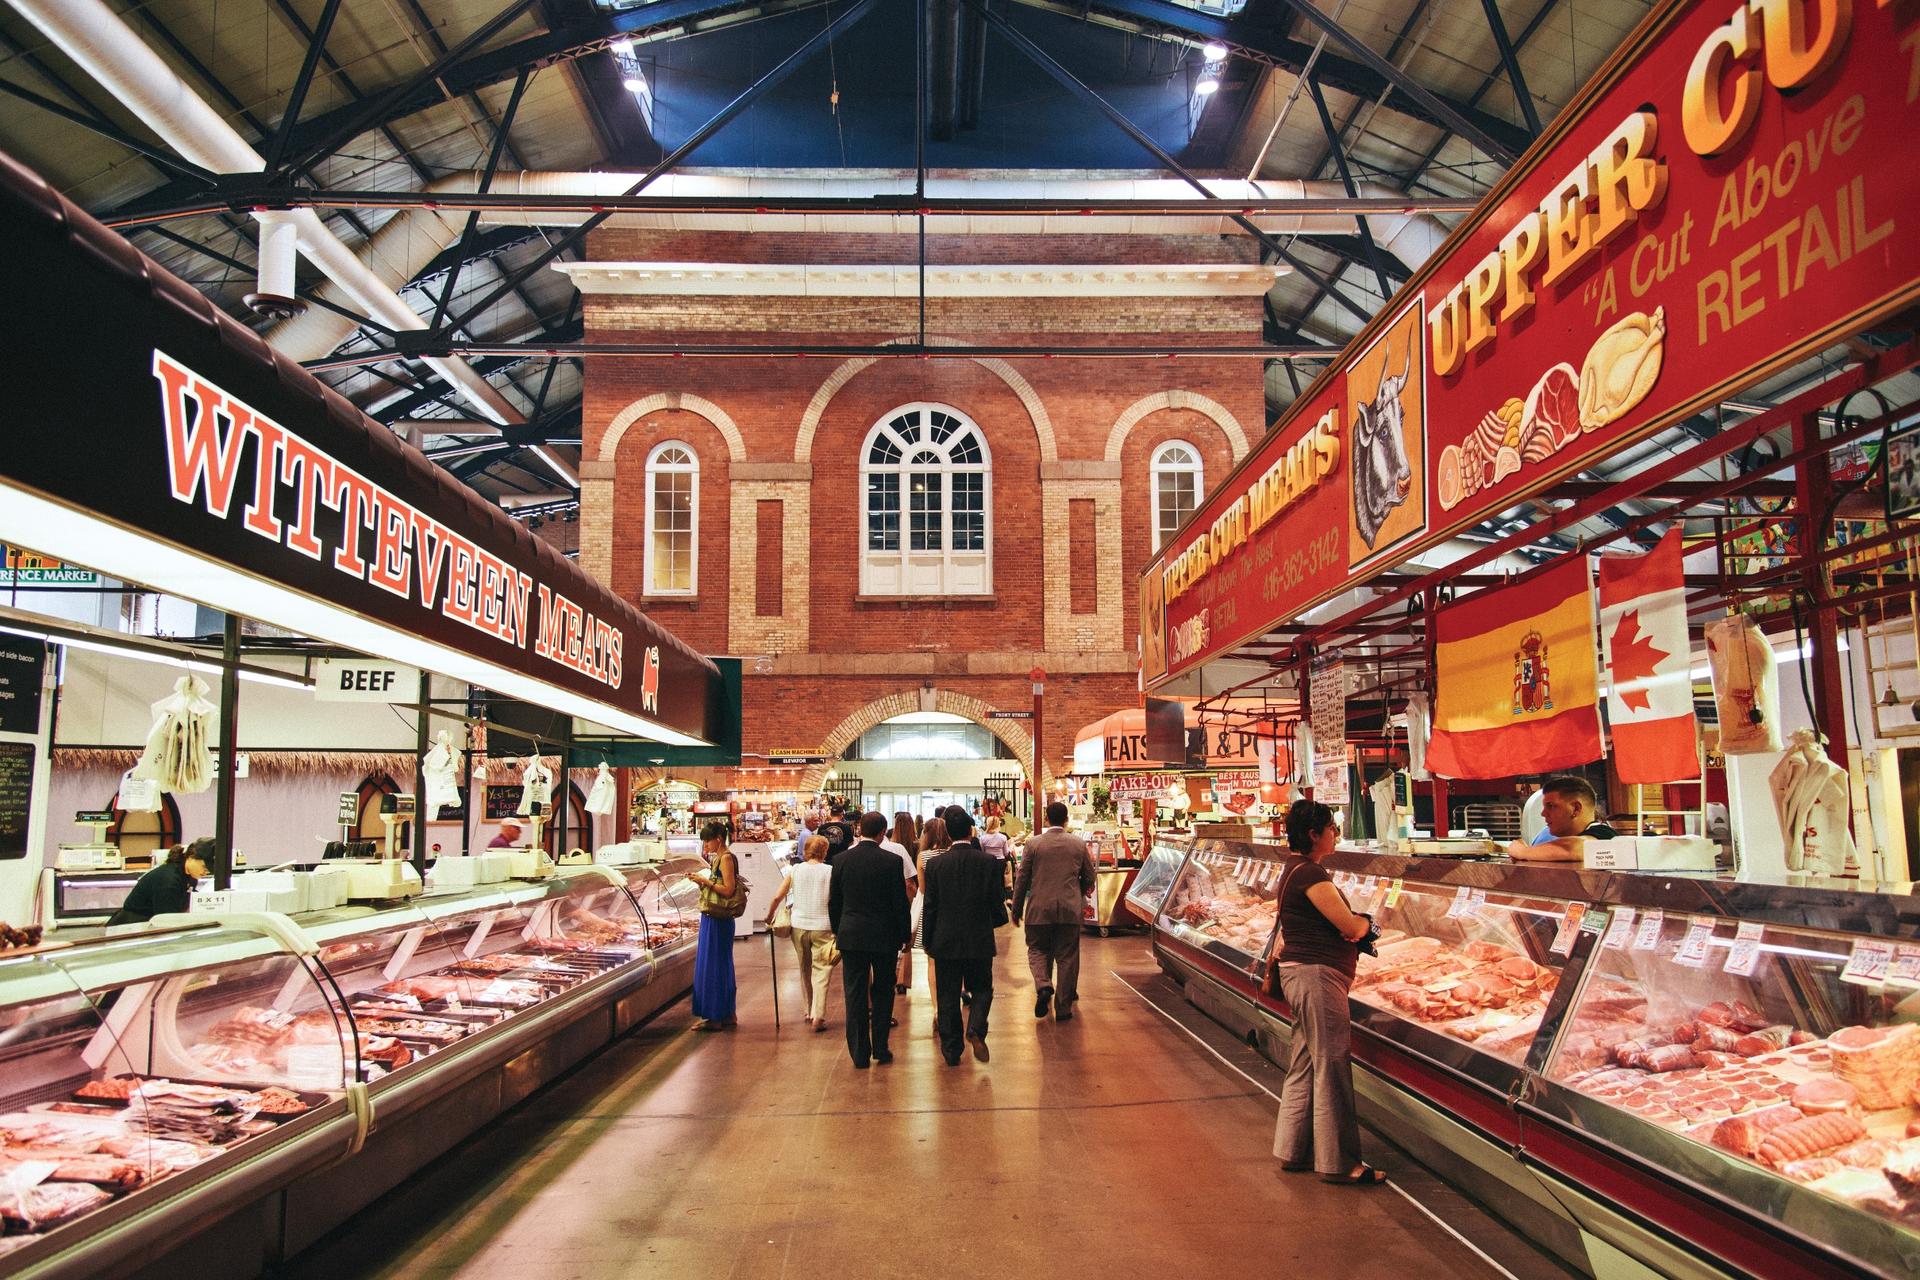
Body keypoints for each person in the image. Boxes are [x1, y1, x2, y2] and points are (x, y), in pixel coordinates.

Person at [1271, 799, 1382, 1186]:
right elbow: (1349, 928)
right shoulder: (1311, 874)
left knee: (1304, 1061)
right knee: (1332, 1063)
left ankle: (1292, 1150)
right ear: (1314, 834)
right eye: (1331, 828)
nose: (1336, 833)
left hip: (1302, 975)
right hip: (1317, 977)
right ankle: (1340, 1163)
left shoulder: (1294, 868)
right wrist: (1367, 923)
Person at [921, 807, 1006, 1065]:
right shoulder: (988, 863)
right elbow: (996, 901)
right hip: (978, 937)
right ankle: (976, 1030)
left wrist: (928, 940)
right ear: (971, 830)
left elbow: (931, 906)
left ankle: (951, 1049)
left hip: (945, 939)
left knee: (947, 994)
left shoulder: (935, 865)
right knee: (981, 988)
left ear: (947, 831)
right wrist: (997, 920)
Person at [828, 812, 911, 1068]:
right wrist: (904, 934)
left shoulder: (841, 860)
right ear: (882, 832)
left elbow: (834, 902)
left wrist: (838, 930)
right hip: (884, 936)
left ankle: (859, 1053)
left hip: (851, 935)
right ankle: (881, 1048)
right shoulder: (891, 861)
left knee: (854, 993)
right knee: (883, 992)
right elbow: (900, 903)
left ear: (859, 830)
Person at [1012, 802, 1096, 1021]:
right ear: (1066, 820)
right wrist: (1080, 891)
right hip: (1069, 908)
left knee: (1038, 950)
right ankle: (1064, 1007)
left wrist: (1017, 907)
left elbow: (1022, 879)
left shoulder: (1033, 844)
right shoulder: (1078, 844)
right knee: (1067, 956)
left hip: (1039, 908)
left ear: (1046, 819)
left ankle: (1043, 985)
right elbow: (1090, 874)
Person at [764, 835, 837, 1031]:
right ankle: (818, 1014)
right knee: (822, 969)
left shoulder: (795, 870)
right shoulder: (830, 871)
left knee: (804, 968)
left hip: (799, 926)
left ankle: (808, 1009)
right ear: (825, 851)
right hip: (823, 926)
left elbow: (778, 896)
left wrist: (769, 916)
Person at [687, 820, 740, 1032]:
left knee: (713, 967)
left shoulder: (725, 858)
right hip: (717, 919)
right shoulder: (720, 858)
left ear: (718, 839)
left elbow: (728, 889)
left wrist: (705, 882)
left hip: (717, 918)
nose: (705, 845)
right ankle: (727, 1013)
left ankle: (713, 1016)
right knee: (721, 965)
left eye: (707, 841)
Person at [1506, 775, 1618, 862]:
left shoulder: (1604, 833)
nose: (1543, 813)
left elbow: (1573, 848)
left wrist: (1523, 852)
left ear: (1576, 809)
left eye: (1551, 806)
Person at [108, 840, 212, 925]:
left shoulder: (190, 877)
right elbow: (165, 920)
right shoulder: (168, 880)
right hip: (131, 925)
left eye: (209, 870)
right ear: (191, 857)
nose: (205, 872)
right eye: (204, 867)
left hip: (149, 923)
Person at [914, 816, 953, 1005]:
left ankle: (937, 1007)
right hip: (952, 910)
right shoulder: (951, 853)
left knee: (932, 962)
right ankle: (954, 999)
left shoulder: (923, 856)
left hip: (931, 912)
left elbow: (922, 889)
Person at [889, 811, 922, 994]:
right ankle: (903, 979)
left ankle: (893, 972)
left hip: (892, 892)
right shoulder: (916, 846)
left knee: (893, 934)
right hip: (911, 893)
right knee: (907, 935)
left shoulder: (890, 845)